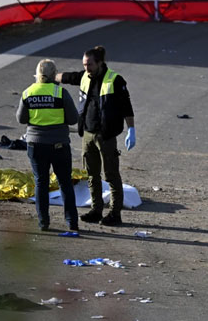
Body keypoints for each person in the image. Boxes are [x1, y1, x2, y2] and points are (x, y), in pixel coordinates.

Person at [57, 46, 135, 227]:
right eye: (84, 64)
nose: (86, 68)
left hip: (106, 136)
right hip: (88, 134)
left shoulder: (115, 80)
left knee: (111, 175)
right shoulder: (85, 76)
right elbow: (68, 77)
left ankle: (115, 213)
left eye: (90, 64)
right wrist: (49, 76)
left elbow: (126, 107)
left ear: (100, 63)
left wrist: (131, 129)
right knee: (92, 174)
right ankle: (96, 209)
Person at [16, 59, 80, 232]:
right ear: (54, 75)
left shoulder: (28, 92)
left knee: (41, 183)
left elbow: (21, 119)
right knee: (65, 183)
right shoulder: (61, 93)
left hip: (36, 145)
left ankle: (43, 222)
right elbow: (74, 118)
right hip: (59, 144)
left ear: (37, 75)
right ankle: (72, 222)